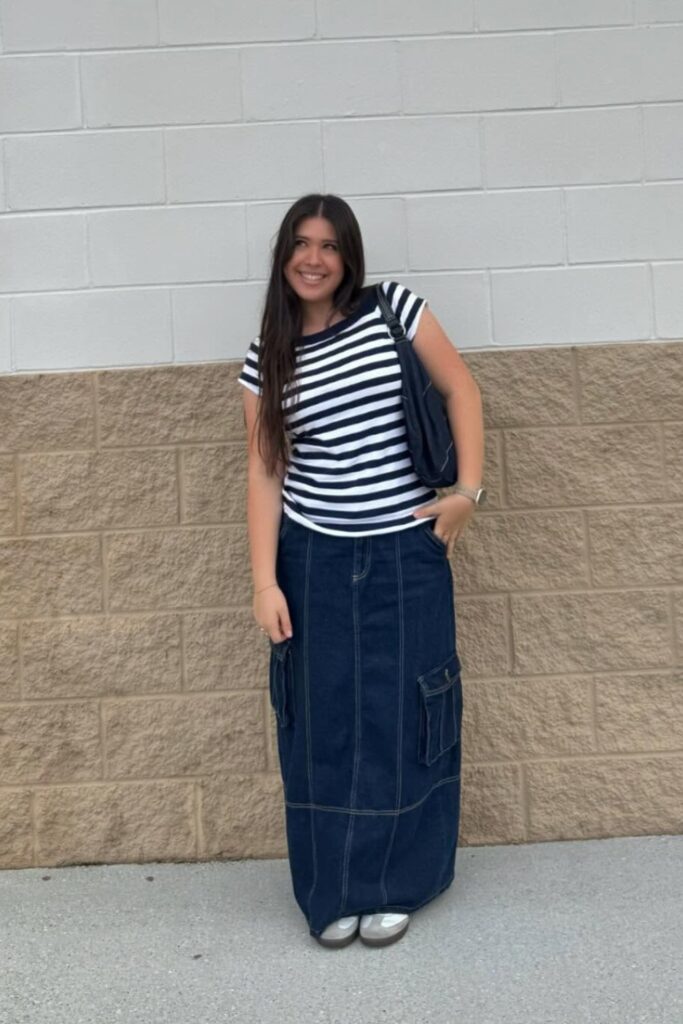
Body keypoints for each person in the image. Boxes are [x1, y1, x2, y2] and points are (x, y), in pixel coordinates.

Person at [238, 193, 485, 949]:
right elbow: (263, 472)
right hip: (311, 555)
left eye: (329, 245)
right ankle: (333, 890)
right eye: (300, 244)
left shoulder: (393, 311)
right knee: (321, 722)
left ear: (349, 257)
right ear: (284, 256)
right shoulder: (263, 360)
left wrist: (464, 494)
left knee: (405, 712)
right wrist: (263, 580)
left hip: (405, 550)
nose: (314, 258)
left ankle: (397, 882)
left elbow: (460, 390)